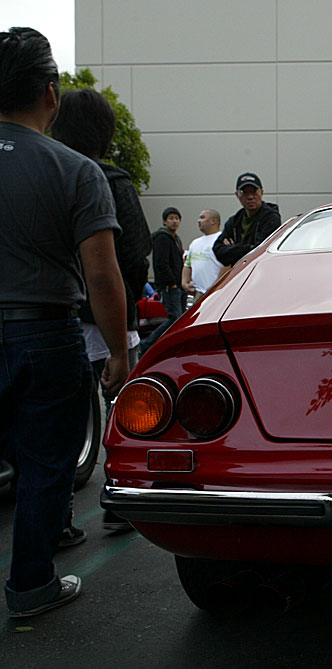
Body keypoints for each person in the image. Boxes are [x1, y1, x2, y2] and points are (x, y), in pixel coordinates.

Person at [0, 27, 127, 618]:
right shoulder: (77, 171)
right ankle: (31, 587)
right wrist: (120, 354)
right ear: (51, 94)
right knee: (44, 463)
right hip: (46, 333)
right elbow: (102, 276)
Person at [50, 87, 152, 536]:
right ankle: (118, 499)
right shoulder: (111, 180)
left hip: (58, 312)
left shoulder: (45, 171)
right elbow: (134, 252)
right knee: (121, 412)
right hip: (110, 315)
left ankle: (57, 520)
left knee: (62, 419)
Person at [139, 207, 185, 352]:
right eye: (171, 218)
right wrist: (170, 282)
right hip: (169, 285)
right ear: (165, 221)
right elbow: (161, 262)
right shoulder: (162, 237)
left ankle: (172, 346)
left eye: (177, 218)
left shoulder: (175, 238)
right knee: (175, 318)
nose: (174, 221)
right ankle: (147, 344)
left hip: (178, 284)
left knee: (179, 319)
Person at [213, 172, 281, 267]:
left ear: (261, 192)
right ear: (237, 195)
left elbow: (260, 252)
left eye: (254, 192)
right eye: (245, 193)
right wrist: (249, 247)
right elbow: (218, 252)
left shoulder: (271, 218)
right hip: (239, 273)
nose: (250, 197)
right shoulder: (234, 221)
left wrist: (233, 248)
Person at [182, 209, 224, 302]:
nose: (199, 221)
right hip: (198, 294)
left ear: (213, 221)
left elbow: (228, 265)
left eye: (202, 217)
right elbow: (188, 264)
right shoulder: (195, 243)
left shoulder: (222, 240)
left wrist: (216, 286)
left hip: (217, 293)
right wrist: (184, 282)